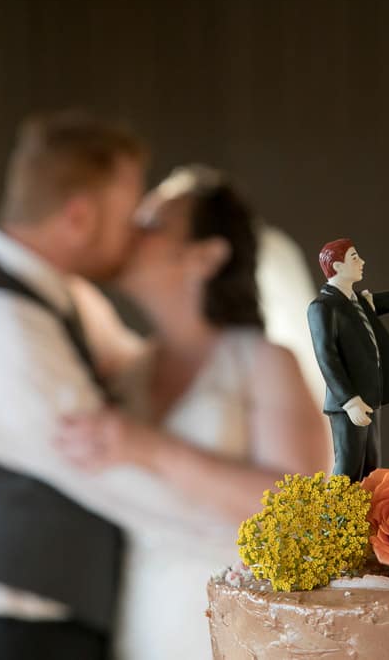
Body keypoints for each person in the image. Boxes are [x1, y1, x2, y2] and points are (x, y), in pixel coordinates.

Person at [0, 112, 220, 659]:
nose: (137, 230)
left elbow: (146, 377)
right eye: (130, 212)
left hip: (36, 627)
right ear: (78, 216)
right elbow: (111, 474)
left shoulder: (61, 299)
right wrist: (254, 534)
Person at [55, 165, 327, 660]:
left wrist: (148, 449)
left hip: (238, 620)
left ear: (206, 255)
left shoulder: (262, 361)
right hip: (145, 613)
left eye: (154, 224)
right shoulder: (131, 369)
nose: (132, 233)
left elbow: (300, 515)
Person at [306, 237, 389, 481]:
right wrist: (348, 400)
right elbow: (327, 356)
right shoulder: (323, 306)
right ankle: (337, 517)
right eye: (354, 258)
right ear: (337, 266)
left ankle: (367, 515)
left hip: (370, 396)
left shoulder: (359, 301)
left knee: (371, 466)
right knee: (348, 465)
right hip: (349, 402)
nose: (362, 262)